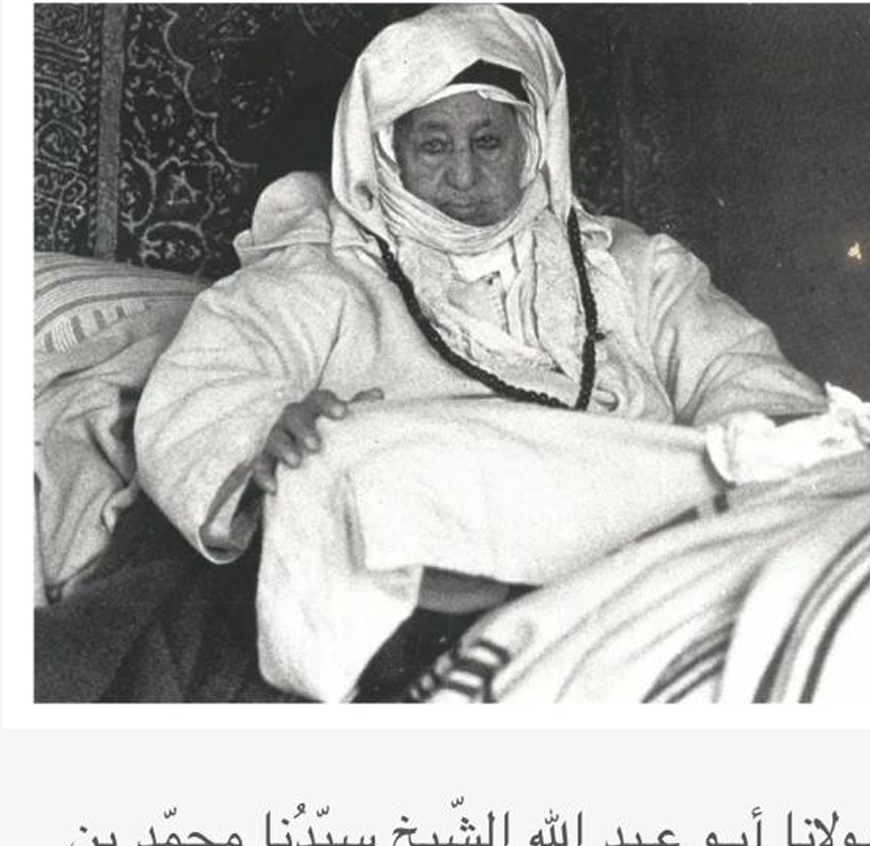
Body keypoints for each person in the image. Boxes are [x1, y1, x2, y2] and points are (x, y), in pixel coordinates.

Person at [134, 3, 826, 692]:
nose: (463, 177)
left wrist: (771, 453)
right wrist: (266, 433)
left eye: (488, 142)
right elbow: (208, 385)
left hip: (641, 553)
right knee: (340, 459)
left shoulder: (634, 265)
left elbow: (748, 378)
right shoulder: (322, 271)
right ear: (384, 150)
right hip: (430, 578)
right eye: (433, 145)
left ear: (532, 141)